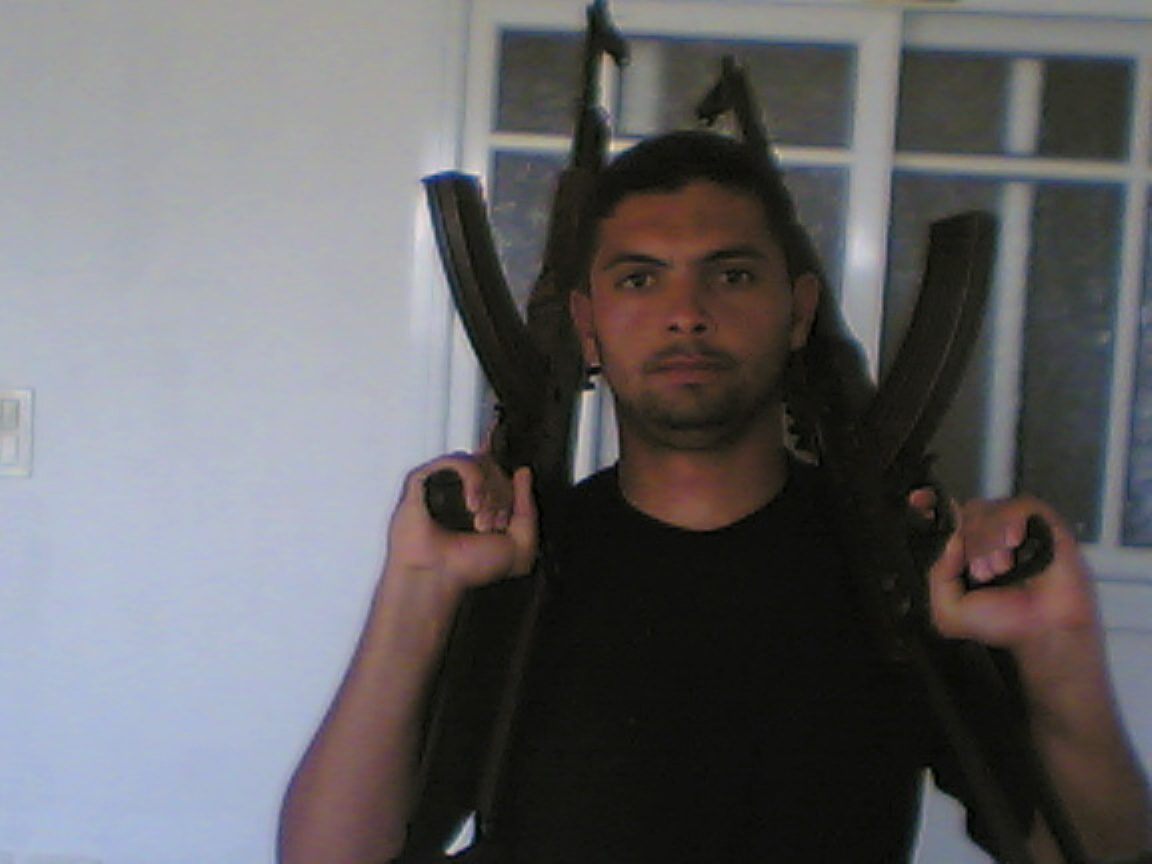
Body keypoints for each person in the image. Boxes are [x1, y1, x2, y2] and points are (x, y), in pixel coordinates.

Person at [278, 131, 1151, 863]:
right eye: (639, 279)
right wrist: (416, 586)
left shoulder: (895, 566)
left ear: (798, 312)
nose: (686, 312)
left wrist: (1058, 648)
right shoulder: (517, 566)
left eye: (730, 275)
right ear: (587, 325)